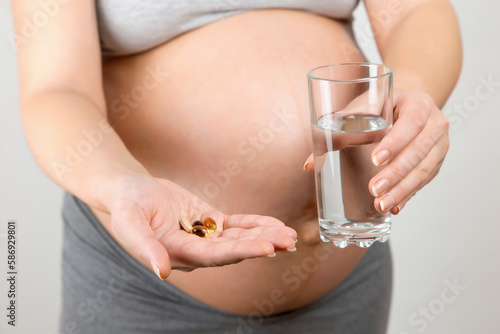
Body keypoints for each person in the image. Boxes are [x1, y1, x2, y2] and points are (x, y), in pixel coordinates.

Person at [11, 0, 461, 333]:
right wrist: (121, 185)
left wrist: (413, 89)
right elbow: (56, 89)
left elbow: (415, 11)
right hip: (144, 292)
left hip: (346, 282)